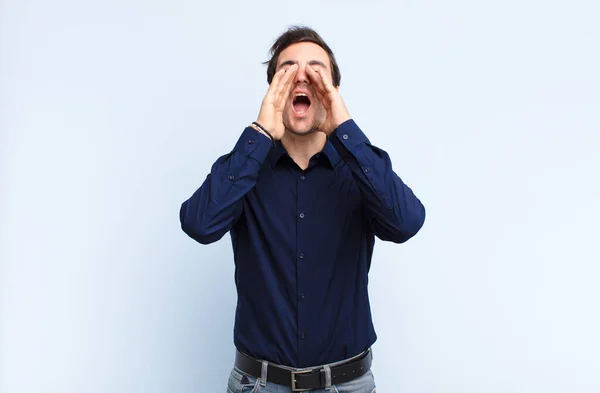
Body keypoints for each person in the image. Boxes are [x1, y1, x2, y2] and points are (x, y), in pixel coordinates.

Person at [180, 26, 425, 393]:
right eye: (288, 69)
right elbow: (199, 224)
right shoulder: (244, 171)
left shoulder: (361, 170)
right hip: (258, 384)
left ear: (332, 91)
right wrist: (261, 131)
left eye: (316, 71)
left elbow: (406, 222)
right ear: (273, 90)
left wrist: (345, 127)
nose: (302, 77)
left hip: (347, 384)